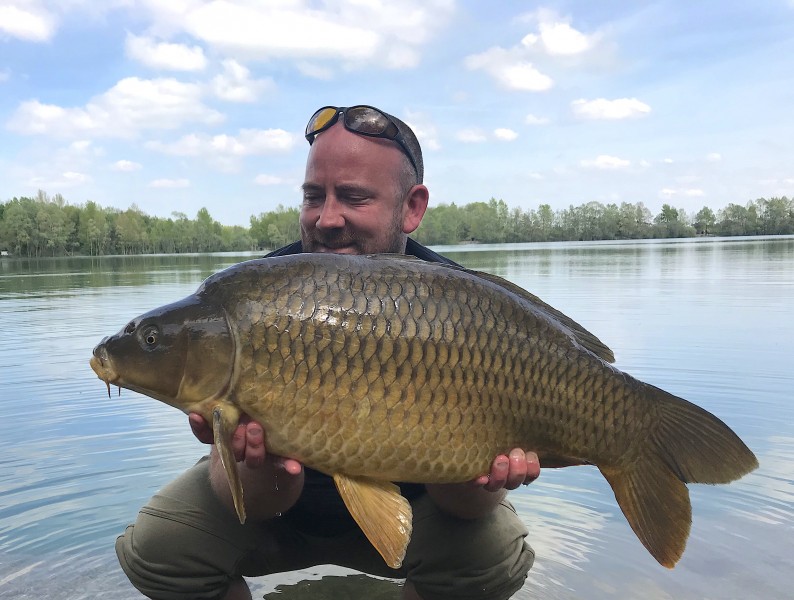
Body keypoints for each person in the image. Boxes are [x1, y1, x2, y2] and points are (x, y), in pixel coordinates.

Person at [116, 105, 541, 600]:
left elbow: (461, 506)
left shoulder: (464, 310)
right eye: (313, 196)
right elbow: (254, 505)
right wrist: (263, 465)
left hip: (424, 509)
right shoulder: (251, 300)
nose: (327, 218)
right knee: (160, 549)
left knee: (494, 552)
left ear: (412, 207)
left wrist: (484, 478)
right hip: (279, 514)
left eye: (355, 197)